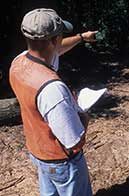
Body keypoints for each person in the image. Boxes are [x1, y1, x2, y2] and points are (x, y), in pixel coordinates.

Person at [9, 8, 97, 196]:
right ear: (53, 41)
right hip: (62, 162)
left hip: (38, 151)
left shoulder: (18, 63)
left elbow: (57, 49)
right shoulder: (52, 89)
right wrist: (82, 113)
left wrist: (81, 37)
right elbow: (75, 142)